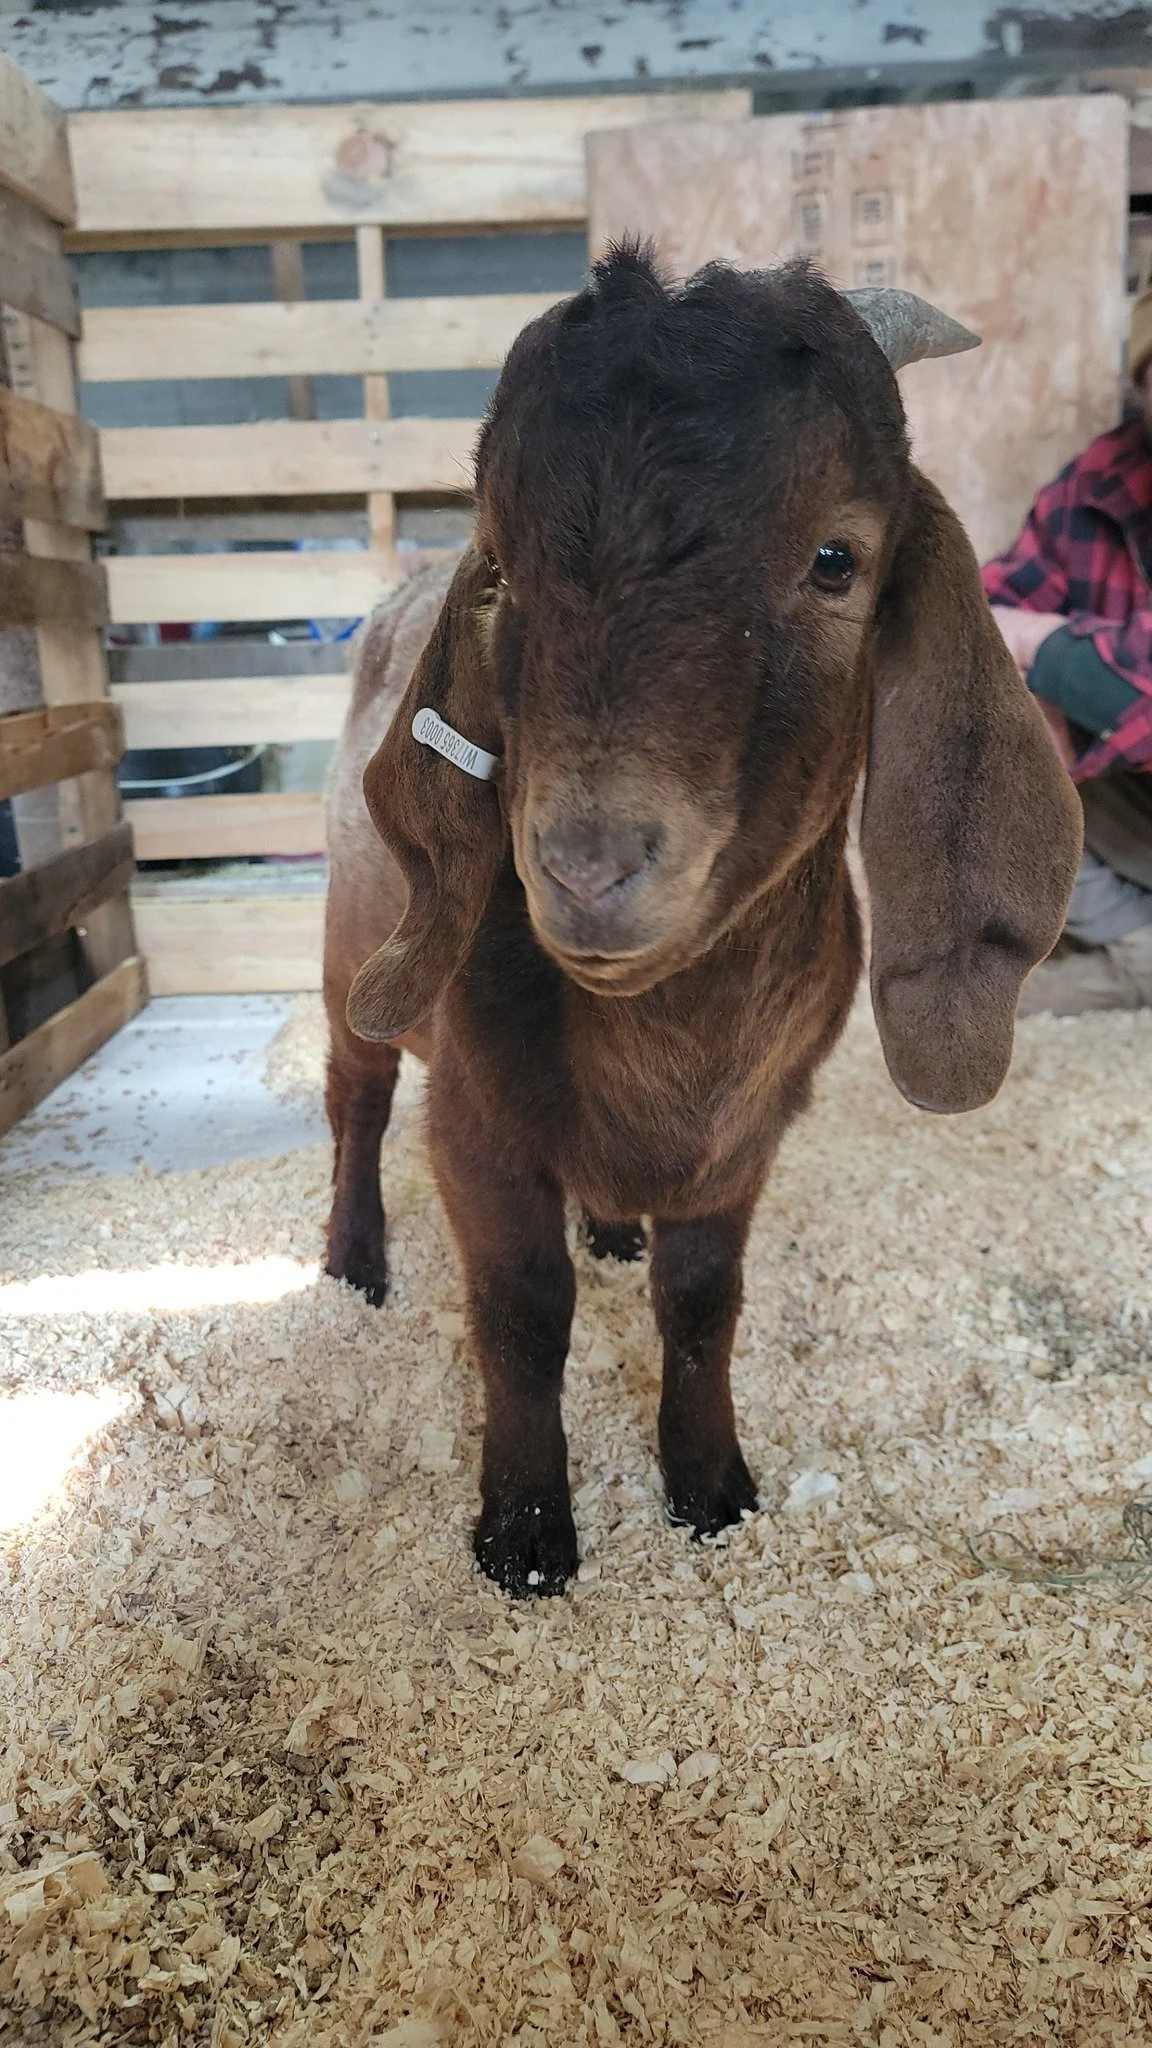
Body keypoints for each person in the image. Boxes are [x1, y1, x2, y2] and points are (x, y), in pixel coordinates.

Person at [983, 285, 1152, 1013]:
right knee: (977, 716)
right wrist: (1023, 687)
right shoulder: (1106, 478)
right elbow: (982, 616)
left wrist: (1042, 647)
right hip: (1131, 808)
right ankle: (1137, 950)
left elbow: (1022, 630)